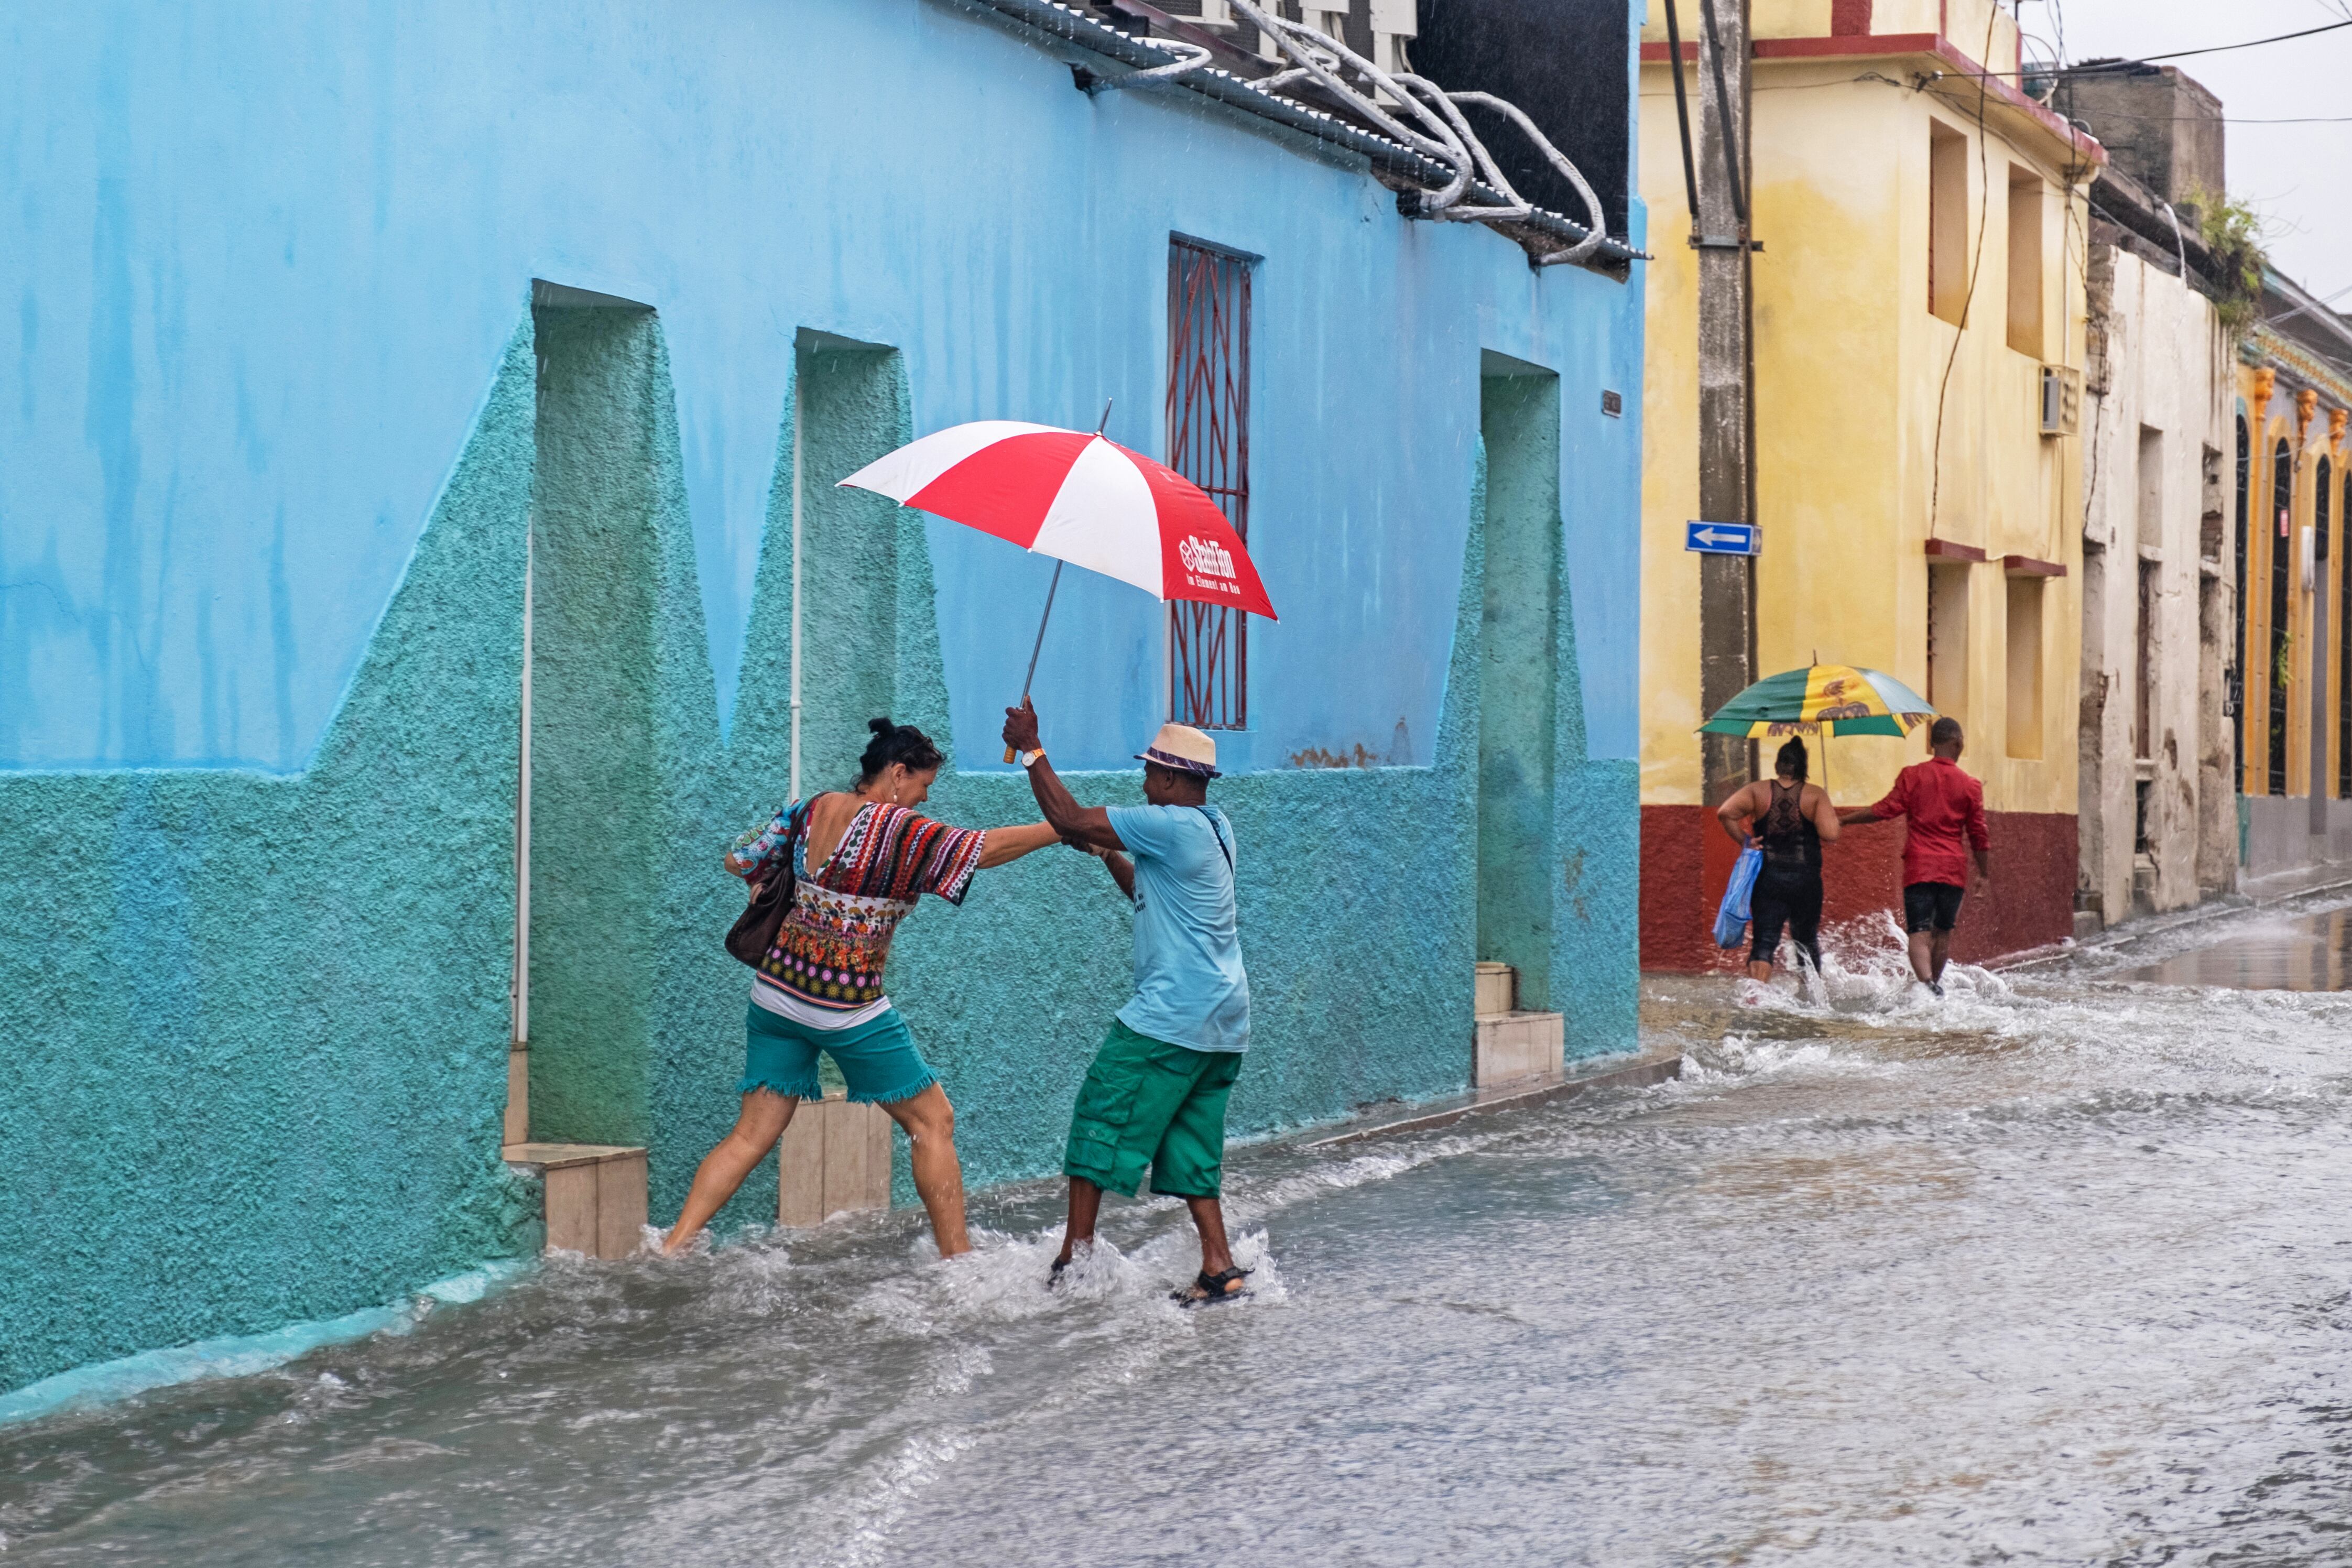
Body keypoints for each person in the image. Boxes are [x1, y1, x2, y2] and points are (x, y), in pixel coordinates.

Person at [662, 717, 1061, 1258]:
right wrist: (1068, 826)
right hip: (843, 1007)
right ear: (897, 773)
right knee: (933, 1119)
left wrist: (776, 882)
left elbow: (739, 858)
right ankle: (958, 1264)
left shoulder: (811, 808)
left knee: (751, 1135)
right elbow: (982, 850)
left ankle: (674, 1247)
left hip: (776, 994)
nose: (922, 800)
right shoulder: (898, 828)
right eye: (922, 787)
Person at [1000, 698, 1253, 1305]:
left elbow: (1068, 816)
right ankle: (1219, 1266)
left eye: (1148, 773)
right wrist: (1111, 853)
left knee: (1099, 1112)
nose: (1142, 782)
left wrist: (1032, 747)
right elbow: (1145, 888)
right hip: (1223, 1021)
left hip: (1172, 1014)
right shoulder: (1215, 828)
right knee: (1191, 1140)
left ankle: (1074, 1260)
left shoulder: (1167, 823)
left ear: (1169, 778)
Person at [1838, 716, 1991, 997]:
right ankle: (1934, 987)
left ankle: (1927, 988)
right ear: (1957, 742)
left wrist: (1846, 821)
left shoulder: (1912, 776)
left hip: (1920, 868)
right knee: (1942, 932)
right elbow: (1978, 834)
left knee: (1918, 934)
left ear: (1932, 744)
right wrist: (1983, 873)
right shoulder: (1970, 785)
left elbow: (1884, 809)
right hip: (1952, 870)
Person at [1715, 736, 1841, 985]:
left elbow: (1725, 813)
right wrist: (1829, 815)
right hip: (1806, 880)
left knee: (1765, 940)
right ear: (1803, 766)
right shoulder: (1815, 794)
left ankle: (1757, 997)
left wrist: (1746, 840)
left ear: (1778, 764)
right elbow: (1831, 834)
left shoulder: (1757, 790)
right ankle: (1811, 998)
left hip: (1769, 878)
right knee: (1806, 940)